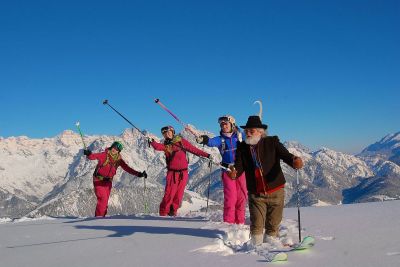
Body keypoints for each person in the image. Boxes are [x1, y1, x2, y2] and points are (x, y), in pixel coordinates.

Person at [228, 116, 303, 246]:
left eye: (251, 131)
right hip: (256, 194)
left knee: (273, 225)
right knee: (256, 224)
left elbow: (286, 156)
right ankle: (255, 248)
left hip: (276, 191)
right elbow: (239, 167)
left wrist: (294, 161)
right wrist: (234, 173)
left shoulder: (272, 142)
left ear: (261, 132)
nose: (248, 133)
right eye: (246, 131)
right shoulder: (242, 148)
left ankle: (270, 246)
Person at [149, 125, 211, 216]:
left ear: (173, 132)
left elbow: (193, 149)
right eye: (164, 133)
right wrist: (152, 142)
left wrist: (207, 155)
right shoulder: (166, 145)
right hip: (172, 174)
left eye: (169, 131)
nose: (167, 134)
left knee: (179, 195)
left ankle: (173, 212)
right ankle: (163, 214)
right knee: (169, 195)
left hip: (183, 173)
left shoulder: (181, 141)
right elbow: (158, 147)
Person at [196, 115, 247, 224]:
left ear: (232, 124)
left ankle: (240, 222)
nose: (224, 126)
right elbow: (211, 142)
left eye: (226, 124)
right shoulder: (220, 139)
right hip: (228, 170)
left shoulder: (240, 136)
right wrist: (204, 139)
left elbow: (252, 138)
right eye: (222, 124)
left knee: (242, 198)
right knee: (231, 198)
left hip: (241, 170)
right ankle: (229, 223)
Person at [84, 141, 147, 217]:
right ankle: (98, 220)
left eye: (117, 149)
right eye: (114, 147)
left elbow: (127, 168)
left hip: (108, 182)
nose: (114, 150)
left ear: (118, 151)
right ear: (111, 147)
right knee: (103, 200)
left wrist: (139, 174)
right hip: (98, 180)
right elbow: (93, 156)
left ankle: (101, 218)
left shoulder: (118, 160)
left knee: (105, 202)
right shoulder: (104, 155)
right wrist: (88, 154)